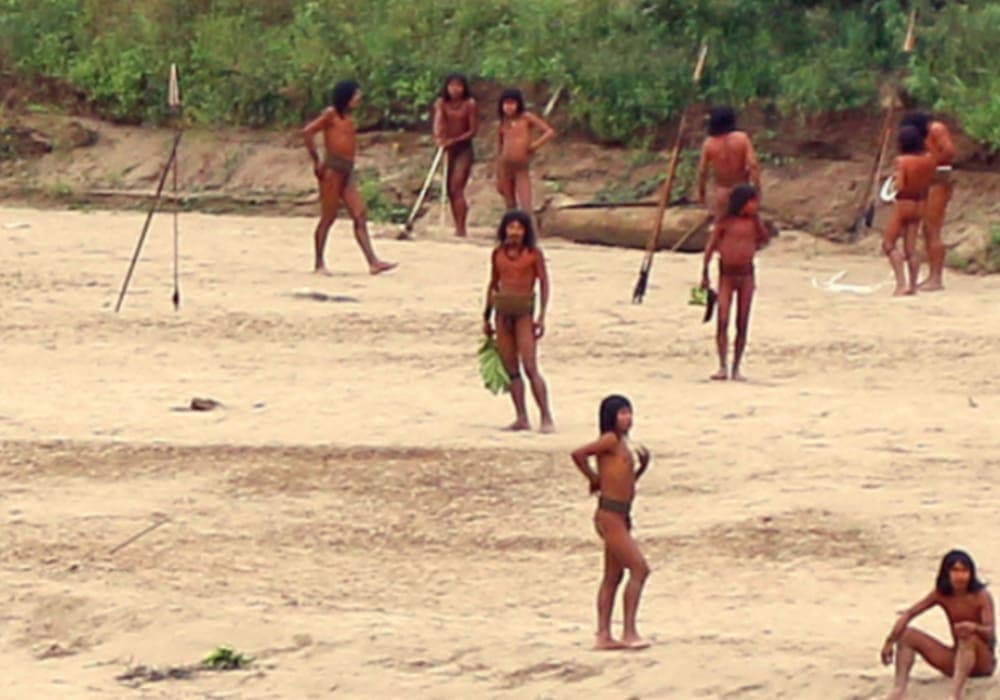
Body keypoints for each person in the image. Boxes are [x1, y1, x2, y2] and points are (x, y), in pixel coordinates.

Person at [571, 394, 651, 650]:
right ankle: (629, 631)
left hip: (620, 515)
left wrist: (641, 469)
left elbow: (623, 481)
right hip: (610, 515)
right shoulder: (610, 440)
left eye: (629, 413)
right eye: (622, 413)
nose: (628, 418)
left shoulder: (622, 443)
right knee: (639, 569)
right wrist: (592, 478)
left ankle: (604, 635)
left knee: (613, 576)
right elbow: (578, 454)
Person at [301, 79, 397, 275]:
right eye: (355, 96)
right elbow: (308, 132)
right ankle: (319, 262)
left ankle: (373, 261)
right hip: (332, 170)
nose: (358, 100)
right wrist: (316, 160)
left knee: (359, 213)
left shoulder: (350, 120)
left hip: (347, 170)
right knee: (328, 217)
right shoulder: (331, 115)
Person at [881, 550, 996, 700]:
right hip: (958, 659)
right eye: (955, 571)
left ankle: (955, 695)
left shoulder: (981, 596)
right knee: (907, 635)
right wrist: (890, 641)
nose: (960, 576)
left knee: (967, 636)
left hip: (982, 661)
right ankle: (899, 689)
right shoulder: (942, 594)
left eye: (964, 571)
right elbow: (909, 613)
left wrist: (973, 628)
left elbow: (991, 633)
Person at [482, 210, 554, 433]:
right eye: (511, 227)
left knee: (530, 367)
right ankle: (521, 417)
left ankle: (546, 416)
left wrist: (542, 316)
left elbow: (544, 284)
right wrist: (486, 317)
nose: (514, 232)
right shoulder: (498, 254)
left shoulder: (533, 254)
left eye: (519, 228)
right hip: (503, 314)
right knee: (511, 368)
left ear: (525, 231)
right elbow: (493, 284)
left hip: (524, 314)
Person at [700, 185, 772, 381]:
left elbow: (764, 239)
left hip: (746, 275)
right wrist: (704, 274)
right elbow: (711, 246)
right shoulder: (725, 222)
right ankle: (723, 366)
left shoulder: (754, 222)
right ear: (743, 202)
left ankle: (736, 367)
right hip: (726, 275)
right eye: (752, 202)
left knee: (742, 321)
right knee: (722, 319)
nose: (755, 206)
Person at [900, 111, 957, 291]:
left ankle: (936, 278)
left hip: (938, 180)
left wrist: (930, 163)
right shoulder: (927, 134)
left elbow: (949, 151)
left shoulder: (936, 128)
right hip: (930, 180)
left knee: (932, 228)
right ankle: (933, 275)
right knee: (927, 229)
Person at [883, 125, 936, 296]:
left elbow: (900, 185)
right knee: (911, 248)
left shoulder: (903, 161)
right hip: (920, 203)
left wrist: (893, 179)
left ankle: (901, 284)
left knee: (889, 244)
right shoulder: (929, 160)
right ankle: (913, 285)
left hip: (904, 203)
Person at [495, 88, 556, 213]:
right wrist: (498, 173)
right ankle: (512, 223)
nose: (509, 107)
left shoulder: (526, 117)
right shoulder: (503, 122)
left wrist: (534, 145)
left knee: (525, 202)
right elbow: (500, 146)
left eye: (512, 103)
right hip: (505, 165)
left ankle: (528, 223)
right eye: (506, 104)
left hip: (521, 166)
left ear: (518, 104)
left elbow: (549, 132)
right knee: (509, 203)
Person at [696, 106, 762, 219]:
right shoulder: (742, 138)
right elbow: (753, 165)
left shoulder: (708, 144)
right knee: (748, 225)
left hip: (722, 192)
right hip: (742, 191)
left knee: (723, 225)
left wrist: (702, 194)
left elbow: (702, 172)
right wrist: (757, 190)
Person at [433, 73, 478, 238]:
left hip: (464, 149)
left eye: (459, 85)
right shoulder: (442, 103)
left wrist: (454, 140)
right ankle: (457, 226)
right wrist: (440, 138)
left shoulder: (469, 104)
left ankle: (461, 228)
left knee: (456, 187)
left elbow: (472, 131)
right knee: (449, 190)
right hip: (448, 149)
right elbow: (438, 123)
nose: (455, 89)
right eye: (452, 85)